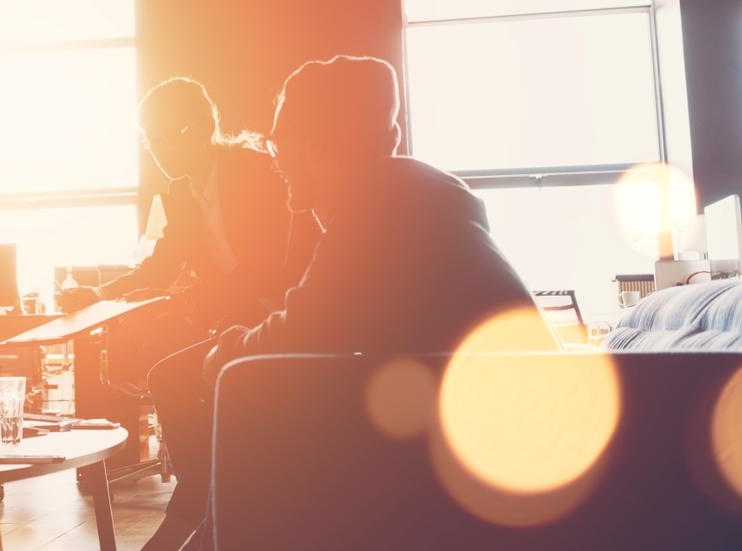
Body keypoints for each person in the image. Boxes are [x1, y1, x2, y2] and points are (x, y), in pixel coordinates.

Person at [142, 56, 548, 550]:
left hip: (490, 440)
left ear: (315, 142)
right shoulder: (402, 189)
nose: (274, 160)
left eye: (277, 142)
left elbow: (308, 327)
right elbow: (329, 323)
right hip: (479, 421)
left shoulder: (379, 200)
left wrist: (223, 352)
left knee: (253, 401)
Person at [58, 77, 317, 329]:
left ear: (205, 126)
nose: (159, 149)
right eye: (150, 139)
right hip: (240, 319)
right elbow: (162, 265)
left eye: (171, 134)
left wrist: (185, 301)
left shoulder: (253, 172)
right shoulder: (182, 194)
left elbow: (265, 268)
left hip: (296, 313)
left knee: (173, 369)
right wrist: (100, 293)